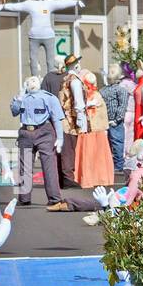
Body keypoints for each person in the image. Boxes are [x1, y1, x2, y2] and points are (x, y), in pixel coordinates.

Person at [11, 76, 64, 206]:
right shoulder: (21, 98)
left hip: (44, 131)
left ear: (39, 83)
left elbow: (56, 118)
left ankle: (54, 198)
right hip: (25, 132)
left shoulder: (48, 98)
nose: (32, 84)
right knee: (24, 166)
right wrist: (19, 97)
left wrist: (60, 137)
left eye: (34, 81)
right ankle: (24, 198)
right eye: (29, 82)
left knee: (49, 165)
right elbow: (14, 112)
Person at [74, 73, 115, 190]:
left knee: (95, 155)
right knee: (92, 155)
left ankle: (96, 178)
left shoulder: (95, 96)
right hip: (90, 130)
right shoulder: (86, 96)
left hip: (94, 130)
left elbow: (101, 113)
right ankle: (90, 178)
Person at [58, 54, 89, 191]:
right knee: (70, 149)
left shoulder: (66, 79)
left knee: (68, 149)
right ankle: (68, 178)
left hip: (66, 118)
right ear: (75, 65)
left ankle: (67, 177)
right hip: (72, 120)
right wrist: (82, 120)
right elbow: (78, 102)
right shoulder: (75, 81)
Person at [102, 63, 130, 172]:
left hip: (113, 121)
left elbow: (122, 106)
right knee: (114, 143)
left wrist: (117, 119)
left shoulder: (118, 89)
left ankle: (117, 165)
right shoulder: (107, 89)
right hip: (110, 121)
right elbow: (122, 106)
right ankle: (115, 164)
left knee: (116, 143)